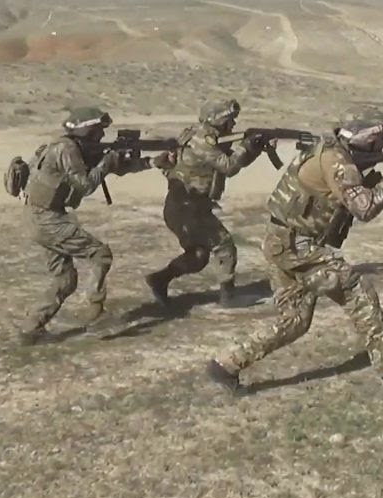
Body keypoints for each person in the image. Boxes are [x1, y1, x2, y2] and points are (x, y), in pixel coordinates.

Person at [207, 105, 383, 395]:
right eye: (379, 138)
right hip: (296, 245)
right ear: (365, 137)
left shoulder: (338, 154)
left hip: (283, 241)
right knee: (356, 291)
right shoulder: (336, 161)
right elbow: (365, 208)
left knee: (294, 322)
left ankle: (226, 365)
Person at [15, 106, 166, 345]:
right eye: (98, 132)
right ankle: (95, 314)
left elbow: (118, 167)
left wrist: (152, 162)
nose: (102, 136)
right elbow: (86, 185)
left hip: (38, 217)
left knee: (65, 279)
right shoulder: (66, 150)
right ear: (87, 131)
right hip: (46, 219)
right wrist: (106, 161)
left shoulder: (70, 148)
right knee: (100, 254)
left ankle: (31, 329)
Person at [145, 98, 269, 309]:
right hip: (186, 207)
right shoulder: (202, 140)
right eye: (229, 120)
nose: (233, 124)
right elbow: (229, 166)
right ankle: (228, 297)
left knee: (198, 257)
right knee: (225, 245)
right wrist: (247, 146)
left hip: (187, 206)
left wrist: (254, 149)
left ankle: (159, 280)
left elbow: (229, 164)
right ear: (218, 120)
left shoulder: (202, 136)